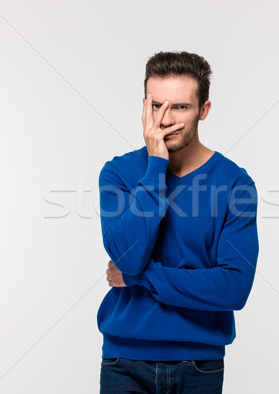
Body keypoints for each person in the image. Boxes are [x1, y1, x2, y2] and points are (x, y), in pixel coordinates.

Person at [97, 51, 259, 394]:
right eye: (156, 106)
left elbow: (234, 287)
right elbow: (128, 257)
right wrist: (156, 165)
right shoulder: (118, 173)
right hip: (123, 362)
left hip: (198, 366)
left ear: (204, 110)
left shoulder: (235, 184)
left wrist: (139, 278)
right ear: (145, 106)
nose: (165, 120)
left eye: (181, 107)